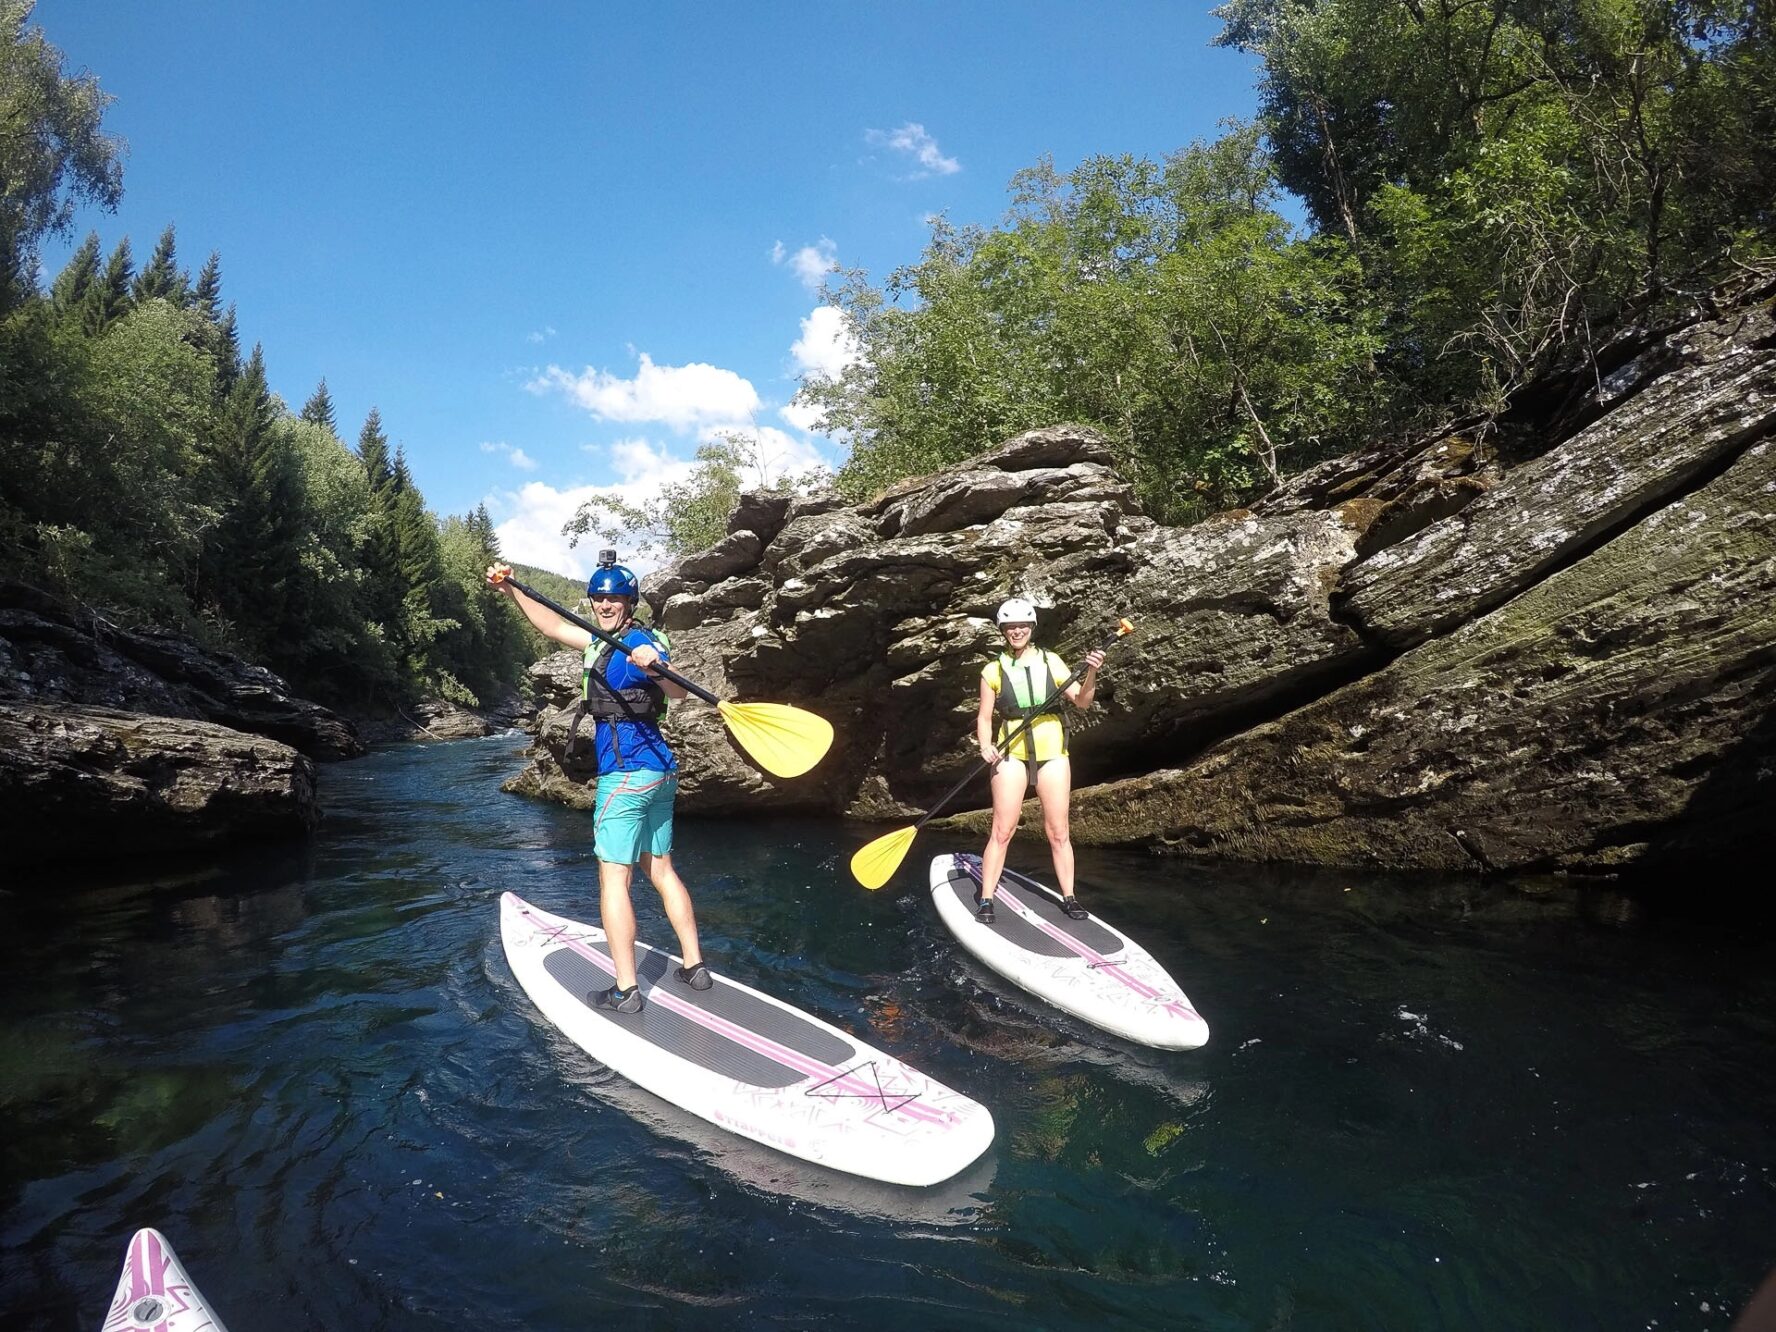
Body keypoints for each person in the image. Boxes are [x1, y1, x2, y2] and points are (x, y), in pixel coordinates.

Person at [487, 552, 711, 1013]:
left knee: (615, 880)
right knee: (661, 869)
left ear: (630, 602)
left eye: (614, 598)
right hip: (659, 773)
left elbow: (676, 690)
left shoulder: (641, 646)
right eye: (598, 598)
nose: (605, 605)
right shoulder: (600, 642)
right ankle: (694, 966)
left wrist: (653, 666)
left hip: (627, 777)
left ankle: (627, 991)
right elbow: (551, 627)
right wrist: (512, 590)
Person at [972, 597, 1105, 925]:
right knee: (1002, 830)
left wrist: (1091, 674)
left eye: (1022, 626)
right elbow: (985, 716)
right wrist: (986, 746)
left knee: (1059, 831)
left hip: (1053, 756)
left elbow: (1083, 702)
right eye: (1010, 627)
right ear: (1003, 631)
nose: (1016, 631)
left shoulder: (1052, 662)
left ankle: (1070, 897)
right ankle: (987, 897)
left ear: (1031, 628)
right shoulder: (993, 670)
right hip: (1011, 755)